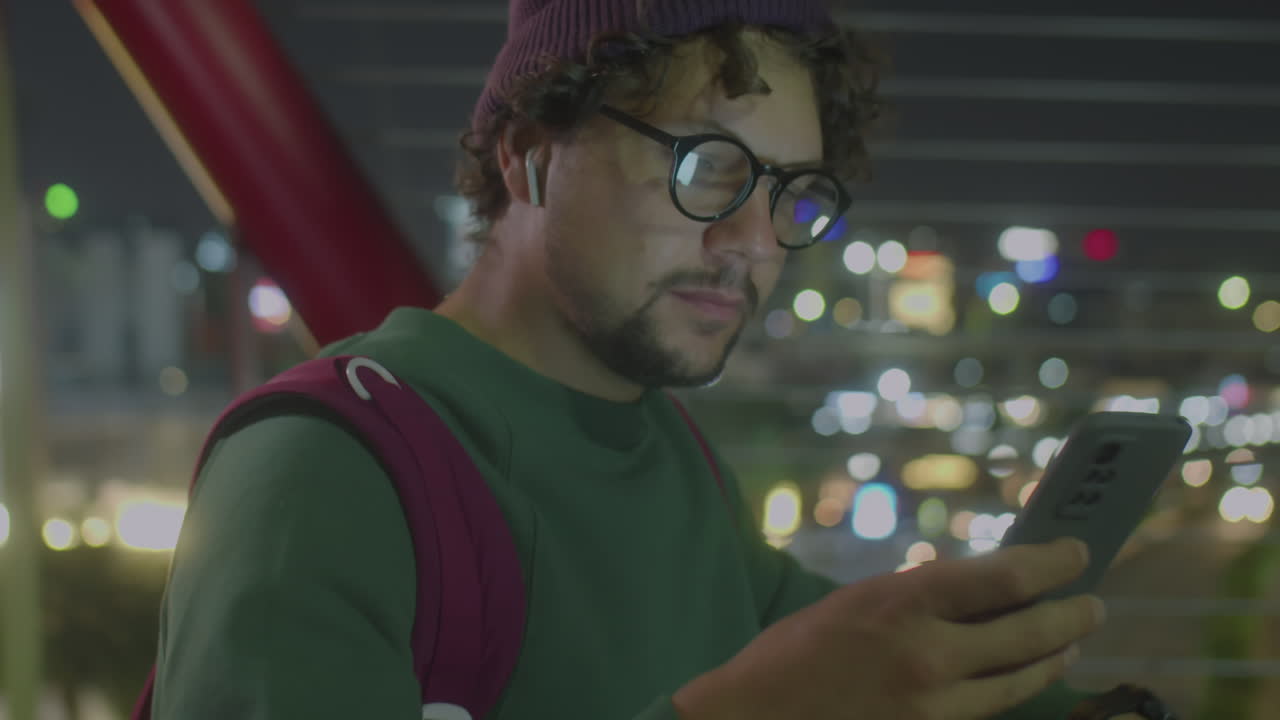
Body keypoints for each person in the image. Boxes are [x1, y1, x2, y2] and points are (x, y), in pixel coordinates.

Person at [150, 1, 1172, 718]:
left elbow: (882, 652)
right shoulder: (323, 475)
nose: (753, 244)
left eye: (788, 194)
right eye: (706, 168)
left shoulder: (667, 457)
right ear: (528, 153)